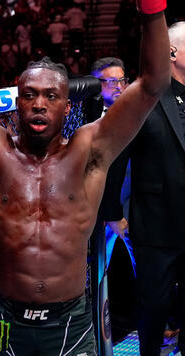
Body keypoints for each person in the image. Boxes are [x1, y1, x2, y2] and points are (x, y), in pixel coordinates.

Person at [0, 0, 169, 354]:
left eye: (51, 96)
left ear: (67, 105)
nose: (39, 104)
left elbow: (153, 83)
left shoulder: (90, 152)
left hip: (71, 324)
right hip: (6, 320)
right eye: (29, 95)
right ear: (18, 101)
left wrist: (152, 9)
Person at [97, 21, 185, 356]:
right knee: (155, 303)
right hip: (155, 221)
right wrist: (112, 213)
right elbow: (116, 159)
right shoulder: (142, 95)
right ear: (172, 52)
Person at [91, 57, 135, 274]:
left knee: (145, 269)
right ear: (96, 84)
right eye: (111, 82)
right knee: (96, 270)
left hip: (130, 207)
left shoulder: (137, 115)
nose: (119, 87)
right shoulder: (84, 120)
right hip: (94, 210)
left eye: (122, 80)